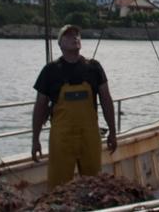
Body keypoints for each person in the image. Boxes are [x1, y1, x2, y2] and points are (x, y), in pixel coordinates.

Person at [31, 25, 118, 187]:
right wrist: (35, 140)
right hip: (61, 139)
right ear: (60, 44)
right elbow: (40, 107)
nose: (75, 38)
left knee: (94, 185)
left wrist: (112, 131)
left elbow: (106, 100)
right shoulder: (49, 71)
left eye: (77, 35)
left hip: (90, 137)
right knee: (59, 187)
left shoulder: (94, 68)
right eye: (69, 35)